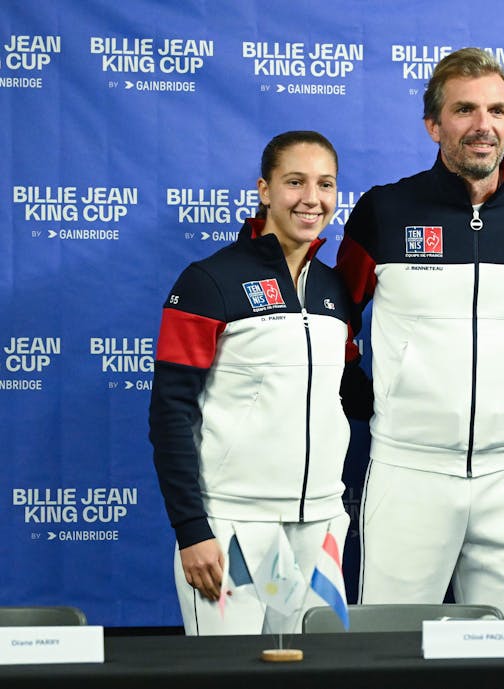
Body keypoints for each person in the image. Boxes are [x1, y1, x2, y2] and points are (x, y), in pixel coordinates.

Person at [336, 48, 504, 620]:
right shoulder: (385, 210)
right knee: (386, 653)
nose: (483, 125)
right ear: (434, 125)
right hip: (410, 467)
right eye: (465, 110)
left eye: (497, 110)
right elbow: (334, 316)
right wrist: (366, 395)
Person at [149, 130, 368, 635]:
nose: (311, 199)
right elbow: (170, 411)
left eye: (325, 184)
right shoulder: (209, 281)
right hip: (234, 529)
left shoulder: (333, 288)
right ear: (265, 190)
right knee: (231, 678)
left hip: (318, 527)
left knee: (318, 676)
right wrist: (191, 530)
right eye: (295, 182)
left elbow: (348, 389)